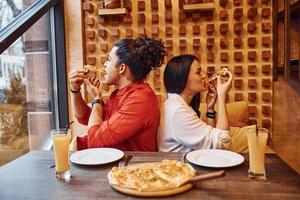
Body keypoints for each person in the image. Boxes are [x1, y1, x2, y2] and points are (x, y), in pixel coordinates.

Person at [68, 36, 166, 151]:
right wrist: (75, 91)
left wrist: (97, 99)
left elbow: (94, 140)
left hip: (132, 166)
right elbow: (85, 117)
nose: (104, 64)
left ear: (122, 68)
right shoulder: (119, 93)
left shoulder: (141, 99)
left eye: (109, 59)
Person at [158, 54, 233, 152]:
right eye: (198, 72)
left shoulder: (179, 105)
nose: (204, 75)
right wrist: (222, 96)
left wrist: (210, 110)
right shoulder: (178, 112)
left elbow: (209, 143)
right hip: (180, 165)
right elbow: (223, 143)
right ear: (183, 78)